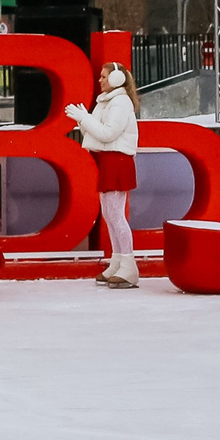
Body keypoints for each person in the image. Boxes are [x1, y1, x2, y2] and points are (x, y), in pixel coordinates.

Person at [65, 61, 141, 289]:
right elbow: (94, 132)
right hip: (107, 159)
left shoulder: (121, 102)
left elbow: (107, 133)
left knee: (116, 214)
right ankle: (118, 261)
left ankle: (129, 265)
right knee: (109, 214)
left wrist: (84, 118)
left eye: (104, 76)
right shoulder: (106, 101)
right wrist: (83, 119)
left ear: (117, 79)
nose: (100, 80)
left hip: (117, 160)